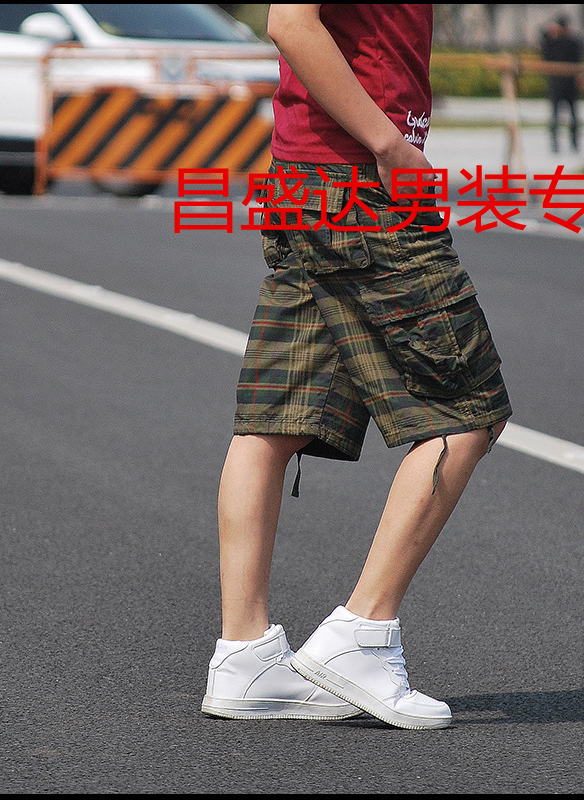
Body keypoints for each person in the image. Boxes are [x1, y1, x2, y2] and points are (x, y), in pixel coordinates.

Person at [200, 3, 512, 730]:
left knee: (274, 422)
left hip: (308, 181)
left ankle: (244, 658)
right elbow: (291, 21)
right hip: (357, 184)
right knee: (467, 411)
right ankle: (362, 637)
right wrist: (388, 143)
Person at [540, 15, 584, 153]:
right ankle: (555, 144)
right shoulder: (552, 42)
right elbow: (544, 49)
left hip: (570, 84)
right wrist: (548, 33)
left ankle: (574, 143)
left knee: (573, 116)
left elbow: (579, 59)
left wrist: (581, 76)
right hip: (556, 83)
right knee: (555, 116)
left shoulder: (572, 42)